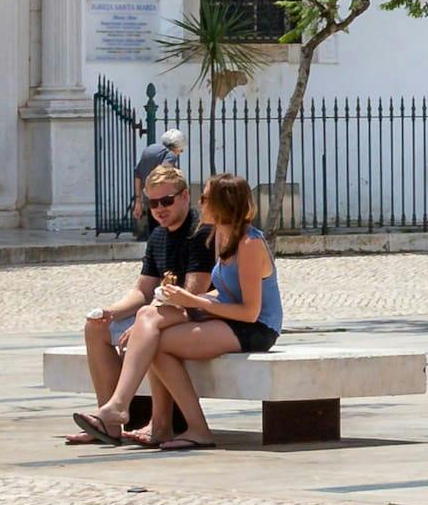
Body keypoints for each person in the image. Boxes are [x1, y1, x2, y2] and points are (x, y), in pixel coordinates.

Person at [78, 172, 279, 450]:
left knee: (152, 329)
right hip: (225, 317)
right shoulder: (221, 237)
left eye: (205, 197)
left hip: (257, 328)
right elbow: (223, 292)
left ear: (222, 203)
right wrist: (191, 300)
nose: (201, 203)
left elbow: (250, 312)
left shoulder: (249, 244)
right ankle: (188, 426)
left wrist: (193, 301)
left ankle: (125, 408)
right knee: (153, 336)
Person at [78, 164, 215, 416]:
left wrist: (143, 321)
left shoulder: (201, 231)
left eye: (166, 201)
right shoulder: (158, 236)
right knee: (95, 327)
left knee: (147, 326)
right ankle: (107, 418)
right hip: (161, 312)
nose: (160, 209)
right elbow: (143, 290)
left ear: (185, 196)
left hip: (194, 315)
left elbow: (192, 293)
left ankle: (122, 408)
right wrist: (110, 312)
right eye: (153, 204)